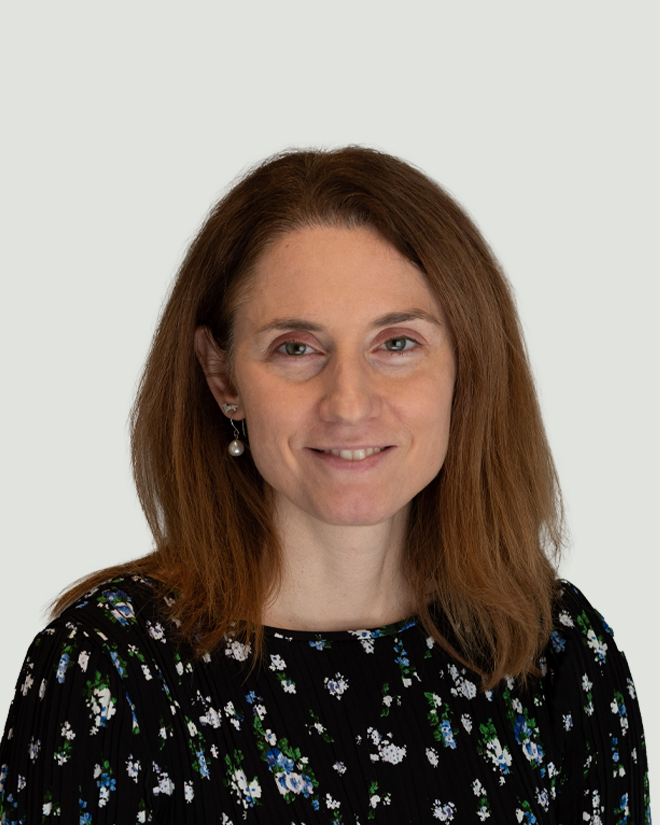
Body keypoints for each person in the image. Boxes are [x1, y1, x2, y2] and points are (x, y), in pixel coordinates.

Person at [0, 147, 650, 824]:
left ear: (468, 367)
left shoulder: (557, 654)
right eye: (296, 348)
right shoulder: (109, 672)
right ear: (222, 377)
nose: (348, 403)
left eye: (396, 343)